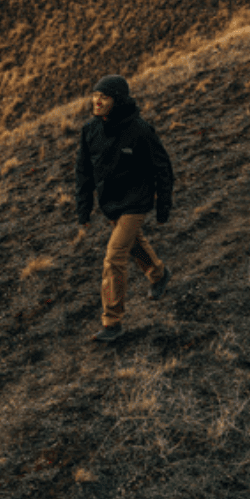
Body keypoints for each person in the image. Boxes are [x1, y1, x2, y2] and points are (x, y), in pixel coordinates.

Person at [74, 75, 174, 343]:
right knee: (132, 244)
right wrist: (84, 210)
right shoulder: (90, 131)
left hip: (137, 201)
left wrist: (163, 205)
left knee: (114, 257)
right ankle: (158, 274)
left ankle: (112, 321)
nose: (96, 101)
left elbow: (162, 167)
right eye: (95, 95)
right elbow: (83, 173)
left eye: (104, 97)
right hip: (111, 203)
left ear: (117, 101)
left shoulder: (139, 129)